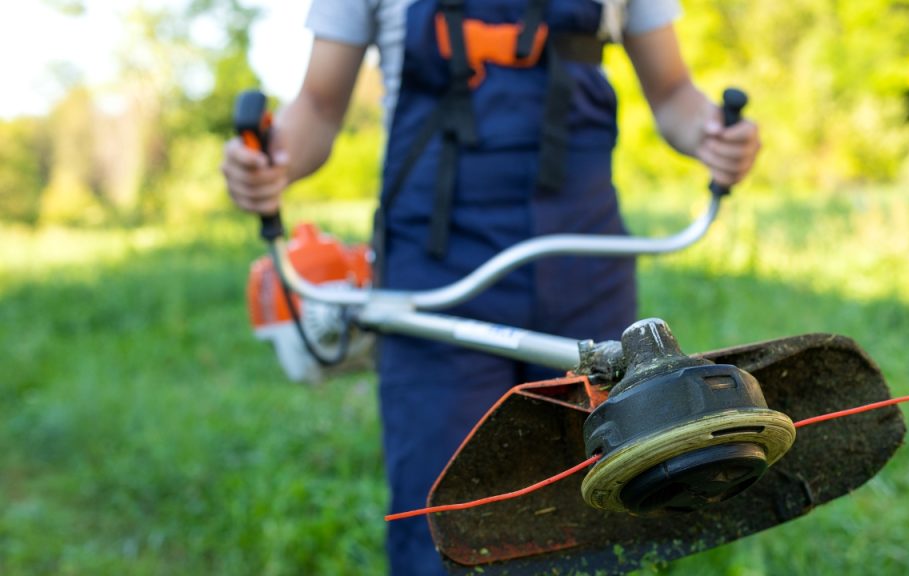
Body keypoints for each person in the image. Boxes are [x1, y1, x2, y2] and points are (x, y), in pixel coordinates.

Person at [222, 1, 760, 574]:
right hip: (433, 272)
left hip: (585, 262)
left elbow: (674, 92)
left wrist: (711, 135)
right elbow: (319, 108)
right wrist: (272, 163)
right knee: (442, 519)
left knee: (593, 513)